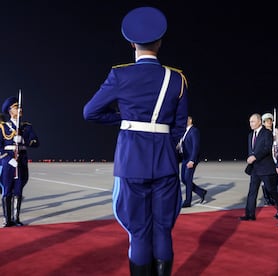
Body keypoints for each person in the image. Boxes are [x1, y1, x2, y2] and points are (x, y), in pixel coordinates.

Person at [83, 6, 188, 275]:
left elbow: (90, 112)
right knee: (163, 230)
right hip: (165, 163)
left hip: (131, 162)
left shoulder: (120, 74)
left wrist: (124, 120)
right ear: (160, 42)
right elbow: (178, 127)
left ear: (131, 43)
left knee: (139, 231)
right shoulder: (176, 79)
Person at [1, 96, 39, 227]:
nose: (20, 109)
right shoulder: (3, 127)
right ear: (10, 111)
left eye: (20, 107)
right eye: (17, 107)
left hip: (21, 160)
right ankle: (7, 219)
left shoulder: (26, 127)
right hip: (8, 162)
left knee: (18, 190)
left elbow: (36, 142)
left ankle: (16, 218)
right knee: (7, 189)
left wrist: (24, 140)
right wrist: (8, 159)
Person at [240, 113, 278, 221]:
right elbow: (251, 150)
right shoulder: (250, 135)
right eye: (250, 122)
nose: (250, 124)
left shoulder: (267, 133)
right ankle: (249, 214)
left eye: (252, 121)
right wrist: (251, 158)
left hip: (266, 168)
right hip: (255, 169)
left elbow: (267, 148)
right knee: (252, 191)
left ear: (259, 121)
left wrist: (255, 157)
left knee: (272, 190)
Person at [177, 116, 207, 208]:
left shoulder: (194, 131)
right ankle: (201, 192)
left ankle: (187, 201)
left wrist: (192, 160)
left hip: (190, 159)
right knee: (184, 179)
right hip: (185, 158)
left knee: (188, 179)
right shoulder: (185, 132)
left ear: (190, 120)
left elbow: (195, 146)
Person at [261, 112, 278, 210]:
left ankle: (273, 197)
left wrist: (276, 136)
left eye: (270, 120)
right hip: (267, 160)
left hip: (276, 159)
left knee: (275, 181)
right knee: (265, 181)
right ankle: (267, 198)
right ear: (263, 123)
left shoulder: (276, 131)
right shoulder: (262, 133)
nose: (268, 122)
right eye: (266, 121)